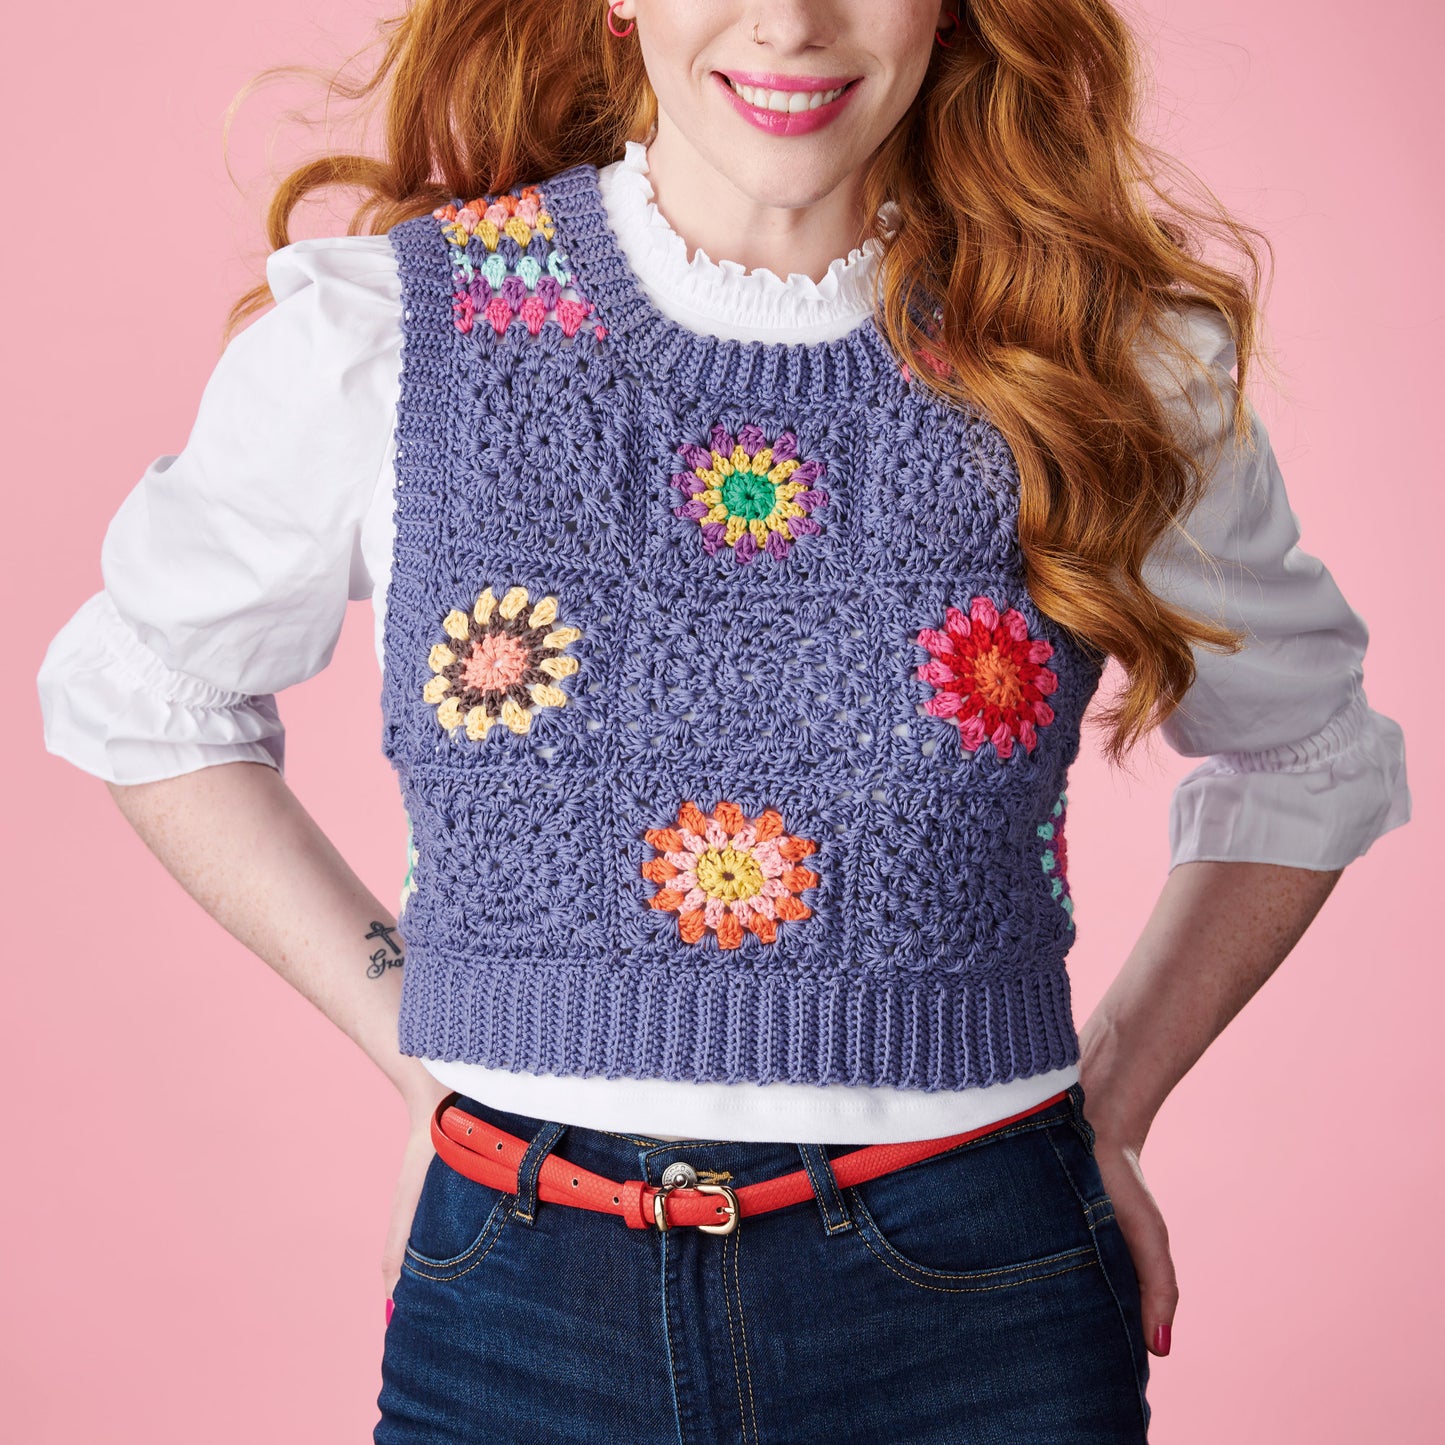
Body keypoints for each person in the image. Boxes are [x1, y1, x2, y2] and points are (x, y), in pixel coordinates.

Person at [35, 1, 1411, 1441]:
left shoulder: (1087, 354)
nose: (791, 23)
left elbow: (1306, 746)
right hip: (521, 1296)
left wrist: (1113, 1097)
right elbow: (147, 689)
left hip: (980, 1298)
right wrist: (419, 1048)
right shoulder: (398, 334)